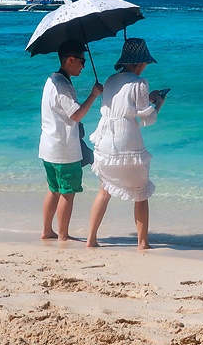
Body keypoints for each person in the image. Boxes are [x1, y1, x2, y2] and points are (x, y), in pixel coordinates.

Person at [86, 38, 166, 250]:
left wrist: (145, 99)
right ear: (139, 63)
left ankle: (91, 239)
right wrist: (157, 104)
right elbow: (146, 118)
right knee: (141, 191)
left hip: (105, 138)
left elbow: (123, 105)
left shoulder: (111, 79)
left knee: (104, 190)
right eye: (145, 63)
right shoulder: (140, 82)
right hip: (126, 139)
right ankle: (142, 243)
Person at [39, 40, 103, 241]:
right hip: (64, 150)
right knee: (67, 193)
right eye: (82, 61)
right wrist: (93, 96)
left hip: (49, 147)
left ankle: (48, 231)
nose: (84, 65)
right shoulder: (63, 85)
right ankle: (63, 235)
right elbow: (76, 115)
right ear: (70, 60)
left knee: (54, 190)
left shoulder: (52, 79)